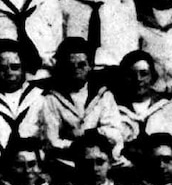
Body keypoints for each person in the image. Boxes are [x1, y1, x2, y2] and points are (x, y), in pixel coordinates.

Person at [40, 38, 123, 174]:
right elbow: (51, 140)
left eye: (81, 65)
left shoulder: (103, 95)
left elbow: (115, 132)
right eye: (70, 66)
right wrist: (76, 146)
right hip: (68, 162)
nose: (76, 70)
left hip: (99, 158)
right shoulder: (52, 99)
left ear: (90, 65)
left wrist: (93, 136)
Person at [0, 41, 46, 184]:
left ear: (24, 68)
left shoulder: (39, 98)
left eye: (15, 67)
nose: (8, 73)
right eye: (2, 68)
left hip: (34, 169)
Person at [112, 51, 172, 164]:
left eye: (144, 73)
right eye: (131, 75)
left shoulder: (168, 108)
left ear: (152, 76)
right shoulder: (114, 109)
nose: (138, 79)